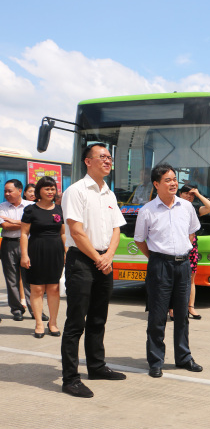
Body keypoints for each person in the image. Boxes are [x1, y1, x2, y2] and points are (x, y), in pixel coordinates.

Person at [61, 143, 127, 399]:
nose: (108, 161)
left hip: (104, 260)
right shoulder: (76, 191)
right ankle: (70, 378)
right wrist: (99, 258)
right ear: (88, 161)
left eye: (110, 157)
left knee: (99, 317)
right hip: (82, 261)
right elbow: (76, 231)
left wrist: (108, 256)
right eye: (102, 157)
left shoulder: (108, 193)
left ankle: (96, 367)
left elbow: (116, 229)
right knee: (76, 321)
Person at [134, 163, 203, 378]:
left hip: (183, 265)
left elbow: (191, 234)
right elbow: (139, 240)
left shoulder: (187, 207)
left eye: (174, 179)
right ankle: (156, 361)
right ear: (156, 184)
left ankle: (184, 357)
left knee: (182, 315)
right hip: (159, 266)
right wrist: (157, 257)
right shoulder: (147, 211)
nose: (173, 183)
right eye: (168, 180)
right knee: (157, 316)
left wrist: (179, 251)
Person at [20, 177, 66, 338]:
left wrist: (66, 252)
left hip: (56, 252)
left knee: (54, 289)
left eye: (52, 188)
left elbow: (63, 233)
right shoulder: (31, 210)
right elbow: (24, 233)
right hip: (36, 250)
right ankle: (39, 323)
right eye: (47, 188)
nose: (50, 191)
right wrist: (24, 255)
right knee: (37, 288)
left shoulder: (59, 210)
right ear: (39, 190)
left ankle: (52, 323)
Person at [1, 179, 43, 322]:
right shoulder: (2, 207)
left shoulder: (31, 206)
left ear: (20, 191)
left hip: (28, 245)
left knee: (30, 278)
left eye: (9, 191)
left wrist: (15, 222)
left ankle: (35, 310)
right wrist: (25, 224)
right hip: (9, 245)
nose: (6, 194)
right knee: (11, 279)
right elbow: (5, 226)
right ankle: (17, 309)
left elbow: (37, 223)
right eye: (5, 191)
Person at [175, 184, 210, 319]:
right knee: (175, 279)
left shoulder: (194, 209)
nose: (189, 196)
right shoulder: (173, 207)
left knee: (191, 279)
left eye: (191, 194)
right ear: (180, 194)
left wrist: (198, 194)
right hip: (175, 246)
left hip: (191, 247)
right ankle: (173, 308)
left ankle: (190, 307)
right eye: (186, 193)